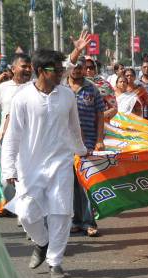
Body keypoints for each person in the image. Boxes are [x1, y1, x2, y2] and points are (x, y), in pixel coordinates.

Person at [1, 49, 88, 278]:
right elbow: (12, 136)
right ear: (41, 71)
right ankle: (41, 242)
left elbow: (74, 128)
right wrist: (9, 168)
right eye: (57, 70)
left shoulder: (67, 95)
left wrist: (82, 151)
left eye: (62, 69)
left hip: (61, 161)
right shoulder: (22, 97)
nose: (62, 73)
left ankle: (55, 262)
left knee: (61, 212)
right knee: (27, 214)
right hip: (29, 165)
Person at [0, 54, 32, 216]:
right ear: (13, 69)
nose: (28, 69)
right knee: (6, 179)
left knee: (27, 178)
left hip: (30, 141)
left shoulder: (35, 87)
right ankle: (9, 205)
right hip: (5, 141)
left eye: (29, 66)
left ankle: (24, 213)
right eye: (24, 66)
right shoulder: (3, 89)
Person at [65, 58, 105, 237]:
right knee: (70, 184)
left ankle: (89, 222)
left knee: (86, 184)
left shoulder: (92, 89)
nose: (77, 70)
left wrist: (99, 139)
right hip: (64, 144)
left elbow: (100, 115)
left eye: (80, 68)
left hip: (87, 143)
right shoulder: (61, 88)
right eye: (74, 67)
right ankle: (75, 221)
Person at [82, 56, 118, 121]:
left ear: (95, 68)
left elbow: (114, 108)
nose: (88, 70)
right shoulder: (76, 84)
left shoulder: (105, 85)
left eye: (91, 67)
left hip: (100, 125)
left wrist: (98, 118)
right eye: (85, 67)